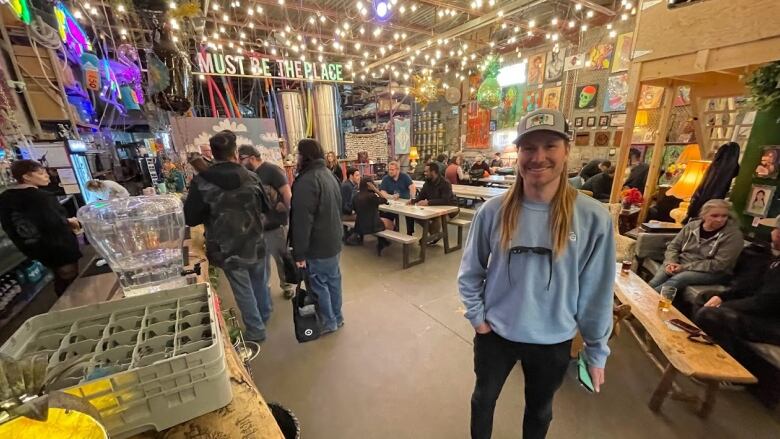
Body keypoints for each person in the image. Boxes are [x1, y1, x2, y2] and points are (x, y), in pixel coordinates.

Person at [458, 109, 615, 439]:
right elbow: (470, 272)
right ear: (519, 154)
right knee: (482, 399)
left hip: (553, 340)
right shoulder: (493, 212)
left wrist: (595, 349)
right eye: (529, 148)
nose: (538, 157)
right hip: (496, 336)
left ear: (566, 151)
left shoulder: (592, 218)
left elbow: (596, 292)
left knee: (540, 411)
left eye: (549, 146)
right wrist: (479, 320)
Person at [184, 131, 270, 343]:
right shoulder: (251, 176)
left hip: (227, 246)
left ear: (213, 153)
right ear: (235, 152)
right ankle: (264, 314)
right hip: (255, 240)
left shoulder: (202, 182)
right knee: (259, 281)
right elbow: (265, 206)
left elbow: (191, 217)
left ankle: (256, 329)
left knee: (243, 289)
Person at [693, 215, 780, 400]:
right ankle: (706, 353)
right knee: (705, 297)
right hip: (761, 310)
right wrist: (721, 296)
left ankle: (732, 374)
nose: (772, 233)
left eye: (775, 230)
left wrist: (724, 304)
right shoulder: (773, 258)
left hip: (772, 323)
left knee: (713, 314)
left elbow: (765, 303)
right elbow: (749, 287)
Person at [0, 160, 82, 295]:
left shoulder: (5, 197)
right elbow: (55, 222)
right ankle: (74, 306)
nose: (47, 176)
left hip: (32, 246)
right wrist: (70, 222)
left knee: (59, 277)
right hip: (58, 246)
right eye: (41, 173)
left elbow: (8, 225)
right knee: (70, 279)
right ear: (26, 176)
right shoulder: (41, 197)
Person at [290, 139, 344, 335]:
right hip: (333, 241)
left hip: (318, 245)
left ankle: (329, 322)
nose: (296, 158)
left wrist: (299, 254)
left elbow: (302, 222)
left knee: (319, 286)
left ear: (304, 156)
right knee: (333, 282)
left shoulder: (306, 181)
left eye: (298, 154)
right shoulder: (329, 175)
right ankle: (337, 317)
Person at [237, 144, 296, 300]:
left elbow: (287, 193)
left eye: (241, 159)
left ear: (251, 158)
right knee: (261, 261)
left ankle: (287, 285)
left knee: (281, 258)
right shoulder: (246, 174)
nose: (239, 162)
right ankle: (264, 289)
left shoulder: (273, 171)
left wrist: (289, 214)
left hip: (276, 225)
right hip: (257, 227)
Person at [648, 199, 744, 294]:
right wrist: (671, 262)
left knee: (679, 279)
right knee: (656, 280)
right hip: (682, 262)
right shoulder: (692, 226)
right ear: (704, 215)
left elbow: (719, 264)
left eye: (724, 216)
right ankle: (638, 299)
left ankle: (648, 302)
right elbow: (673, 246)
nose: (720, 219)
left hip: (714, 272)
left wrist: (684, 267)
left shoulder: (733, 235)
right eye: (714, 215)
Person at [413, 163, 457, 244]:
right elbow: (421, 195)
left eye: (426, 171)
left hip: (450, 210)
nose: (424, 173)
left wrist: (428, 202)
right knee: (416, 215)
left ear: (433, 172)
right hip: (433, 208)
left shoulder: (445, 183)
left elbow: (446, 200)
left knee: (438, 217)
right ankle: (435, 235)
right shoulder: (427, 182)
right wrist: (413, 201)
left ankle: (433, 236)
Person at [353, 177, 394, 255]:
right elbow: (385, 200)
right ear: (369, 185)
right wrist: (375, 190)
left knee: (381, 219)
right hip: (372, 225)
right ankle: (382, 243)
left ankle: (382, 241)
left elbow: (354, 209)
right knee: (390, 223)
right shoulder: (371, 196)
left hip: (360, 224)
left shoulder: (356, 196)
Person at [379, 161, 417, 235]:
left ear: (398, 170)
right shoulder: (386, 178)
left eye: (392, 170)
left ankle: (410, 233)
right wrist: (391, 196)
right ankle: (389, 231)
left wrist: (412, 198)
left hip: (405, 201)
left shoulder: (405, 177)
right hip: (392, 202)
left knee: (410, 212)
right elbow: (382, 192)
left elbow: (412, 187)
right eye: (389, 169)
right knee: (384, 212)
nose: (390, 171)